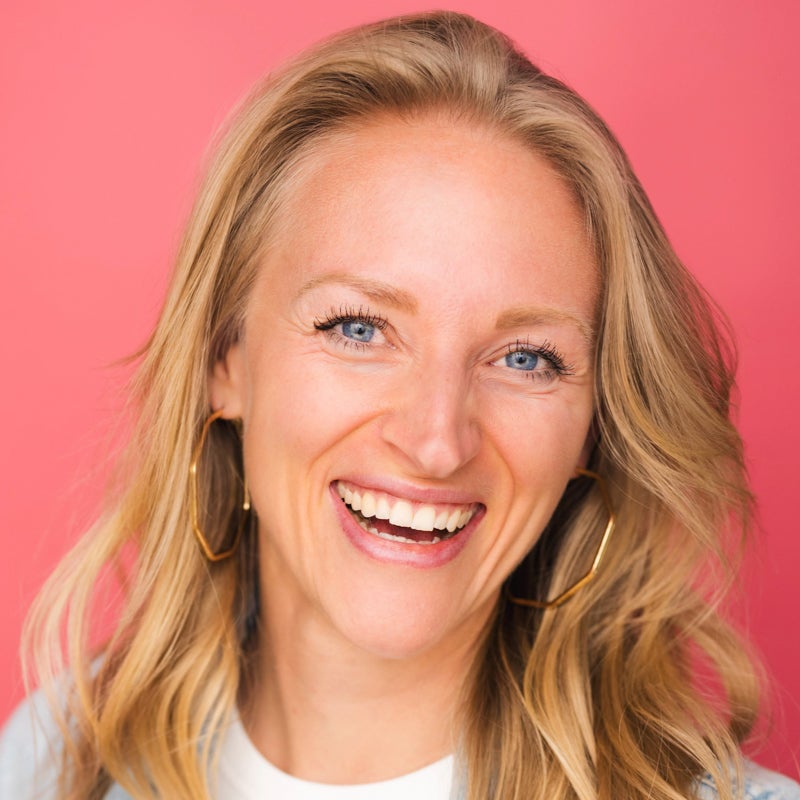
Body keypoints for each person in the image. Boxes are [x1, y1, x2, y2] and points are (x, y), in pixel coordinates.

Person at [1, 10, 798, 800]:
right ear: (226, 359)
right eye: (359, 328)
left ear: (592, 430)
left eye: (525, 358)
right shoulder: (51, 760)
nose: (436, 441)